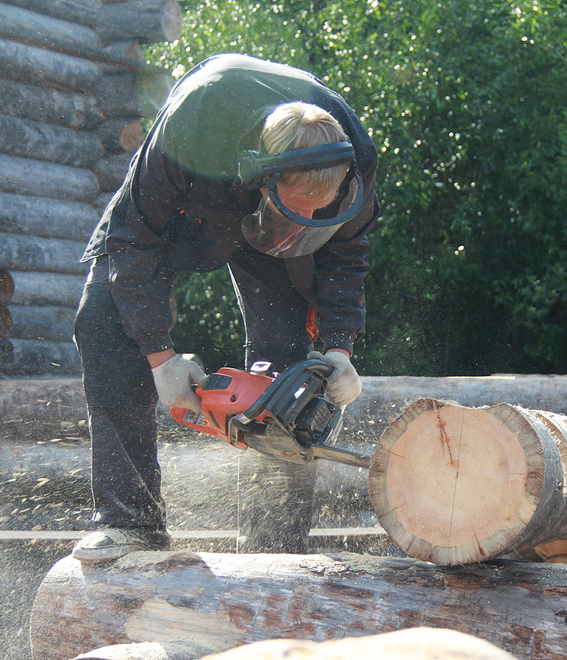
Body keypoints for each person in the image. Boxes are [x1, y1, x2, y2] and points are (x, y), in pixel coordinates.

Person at [71, 54, 378, 562]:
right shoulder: (194, 124)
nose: (309, 217)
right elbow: (131, 240)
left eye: (317, 210)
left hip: (274, 242)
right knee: (103, 319)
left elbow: (347, 255)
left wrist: (340, 348)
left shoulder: (355, 162)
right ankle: (130, 524)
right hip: (190, 204)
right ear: (264, 171)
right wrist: (160, 358)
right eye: (299, 203)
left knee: (289, 378)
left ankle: (272, 549)